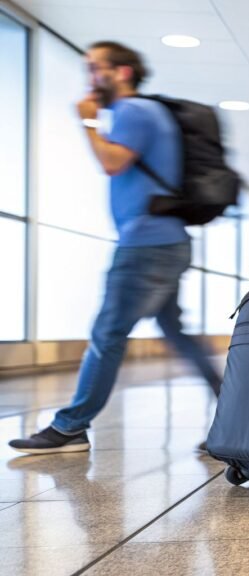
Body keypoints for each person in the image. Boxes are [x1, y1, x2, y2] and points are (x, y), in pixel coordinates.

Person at [9, 41, 222, 455]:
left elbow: (112, 162)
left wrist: (89, 123)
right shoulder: (145, 113)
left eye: (96, 68)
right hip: (163, 241)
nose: (90, 78)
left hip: (147, 244)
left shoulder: (133, 112)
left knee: (108, 332)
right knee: (175, 332)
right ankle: (235, 409)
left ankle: (71, 426)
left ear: (122, 72)